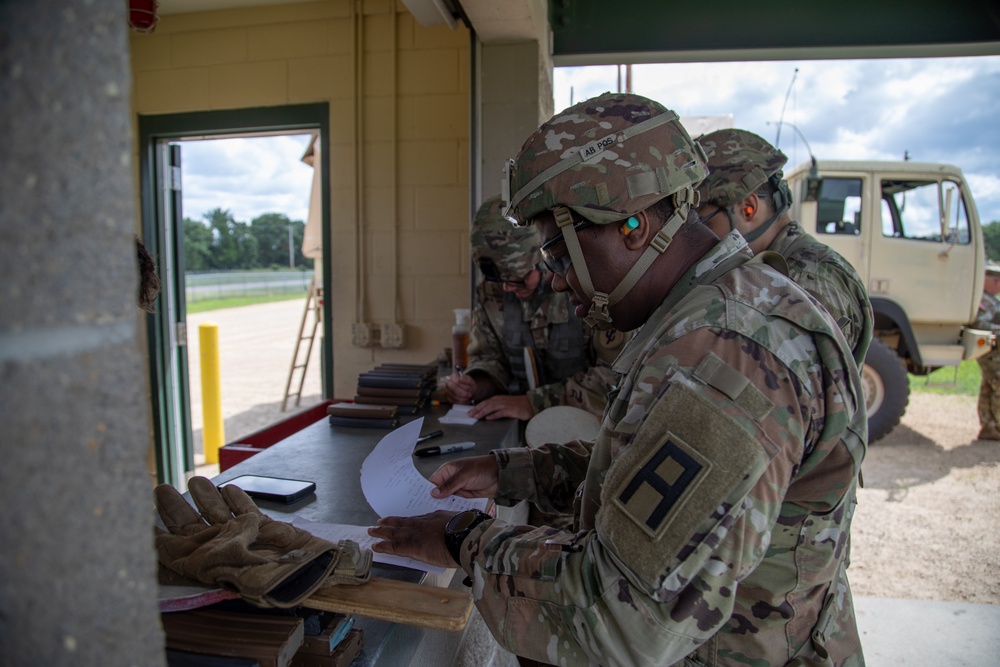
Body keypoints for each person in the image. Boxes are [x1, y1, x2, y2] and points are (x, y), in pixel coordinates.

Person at [370, 93, 867, 666]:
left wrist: (461, 540)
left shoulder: (727, 356)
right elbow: (649, 472)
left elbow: (617, 618)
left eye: (557, 252)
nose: (556, 280)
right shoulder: (713, 316)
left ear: (634, 226)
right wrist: (516, 472)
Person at [696, 128, 874, 367]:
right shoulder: (760, 269)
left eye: (702, 221)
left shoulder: (812, 279)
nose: (695, 234)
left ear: (748, 208)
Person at [444, 194, 625, 422]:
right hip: (517, 427)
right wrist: (474, 384)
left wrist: (534, 403)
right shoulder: (491, 291)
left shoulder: (586, 287)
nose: (509, 289)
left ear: (544, 259)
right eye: (502, 281)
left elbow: (614, 376)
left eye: (519, 279)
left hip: (586, 428)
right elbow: (490, 357)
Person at [974, 262, 1000, 440]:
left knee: (989, 387)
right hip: (990, 351)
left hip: (992, 350)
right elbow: (979, 324)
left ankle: (989, 426)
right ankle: (994, 425)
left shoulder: (989, 299)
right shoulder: (982, 300)